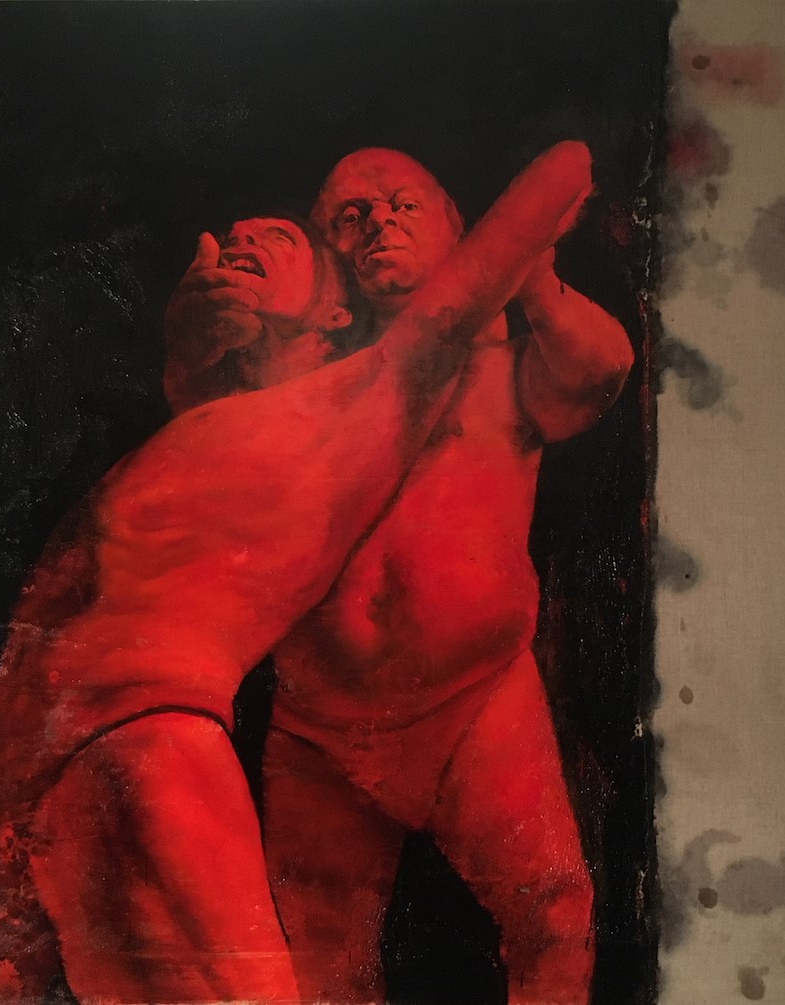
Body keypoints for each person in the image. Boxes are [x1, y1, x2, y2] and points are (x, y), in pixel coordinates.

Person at [0, 142, 591, 1004]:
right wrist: (188, 345)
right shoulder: (228, 414)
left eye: (277, 235)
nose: (233, 241)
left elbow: (555, 180)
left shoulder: (371, 399)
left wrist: (480, 254)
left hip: (140, 739)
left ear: (335, 310)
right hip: (22, 780)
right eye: (234, 237)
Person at [253, 148, 634, 1005]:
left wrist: (531, 277)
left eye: (401, 206)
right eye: (350, 216)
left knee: (551, 912)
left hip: (474, 697)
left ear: (460, 232)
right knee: (318, 950)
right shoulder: (306, 373)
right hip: (320, 719)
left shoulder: (507, 364)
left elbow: (602, 371)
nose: (377, 224)